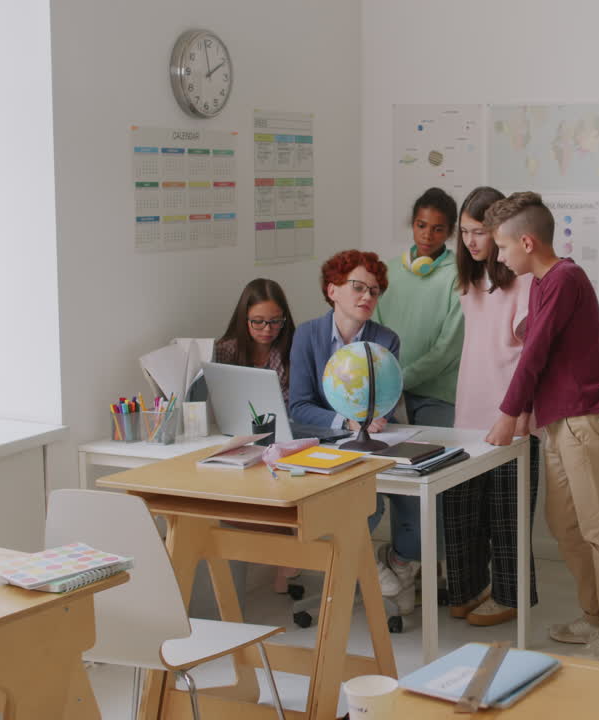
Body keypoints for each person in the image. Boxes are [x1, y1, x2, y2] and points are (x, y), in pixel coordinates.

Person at [483, 191, 599, 662]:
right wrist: (527, 410)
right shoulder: (542, 283)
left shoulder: (566, 278)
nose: (500, 257)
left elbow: (537, 352)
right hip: (557, 421)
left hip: (580, 420)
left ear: (526, 242)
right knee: (564, 526)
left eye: (503, 248)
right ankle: (593, 618)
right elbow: (541, 344)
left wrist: (509, 413)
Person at [288, 250, 421, 613]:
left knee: (417, 510)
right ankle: (364, 567)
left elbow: (386, 403)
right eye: (358, 287)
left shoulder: (386, 340)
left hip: (376, 443)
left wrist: (371, 419)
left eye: (374, 292)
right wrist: (346, 421)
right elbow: (298, 407)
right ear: (332, 290)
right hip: (326, 446)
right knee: (357, 502)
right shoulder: (307, 336)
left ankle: (394, 564)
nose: (367, 297)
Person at [441, 186, 541, 627]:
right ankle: (466, 588)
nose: (471, 241)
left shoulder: (525, 281)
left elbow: (534, 359)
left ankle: (510, 596)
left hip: (511, 417)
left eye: (479, 232)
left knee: (507, 517)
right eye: (464, 233)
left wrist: (520, 414)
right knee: (459, 512)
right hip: (467, 416)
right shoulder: (468, 280)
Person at [374, 187, 464, 428]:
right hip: (388, 392)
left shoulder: (459, 276)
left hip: (437, 395)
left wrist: (401, 380)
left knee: (435, 456)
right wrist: (388, 384)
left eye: (438, 229)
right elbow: (373, 331)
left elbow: (447, 349)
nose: (427, 235)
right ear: (412, 224)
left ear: (450, 232)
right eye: (421, 225)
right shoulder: (387, 272)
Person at [213, 278, 294, 405]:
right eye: (257, 321)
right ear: (244, 319)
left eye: (275, 321)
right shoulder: (224, 352)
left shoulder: (293, 350)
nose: (267, 329)